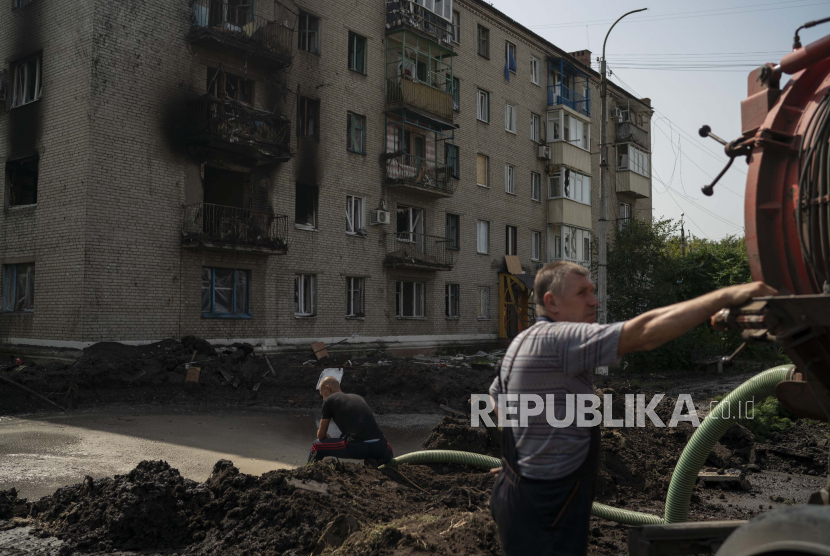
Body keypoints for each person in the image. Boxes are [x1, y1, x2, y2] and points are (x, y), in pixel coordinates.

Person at [489, 261, 776, 556]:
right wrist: (726, 296)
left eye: (593, 291)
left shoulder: (523, 339)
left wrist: (520, 459)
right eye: (583, 293)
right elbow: (644, 333)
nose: (594, 300)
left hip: (522, 493)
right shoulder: (559, 340)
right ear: (552, 302)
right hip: (546, 506)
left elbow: (497, 395)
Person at [308, 376, 394, 466]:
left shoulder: (329, 400)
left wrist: (324, 435)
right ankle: (375, 460)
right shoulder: (358, 397)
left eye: (323, 395)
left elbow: (321, 435)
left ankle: (308, 472)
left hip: (358, 448)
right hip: (381, 447)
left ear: (328, 388)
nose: (323, 398)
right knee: (348, 435)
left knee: (316, 446)